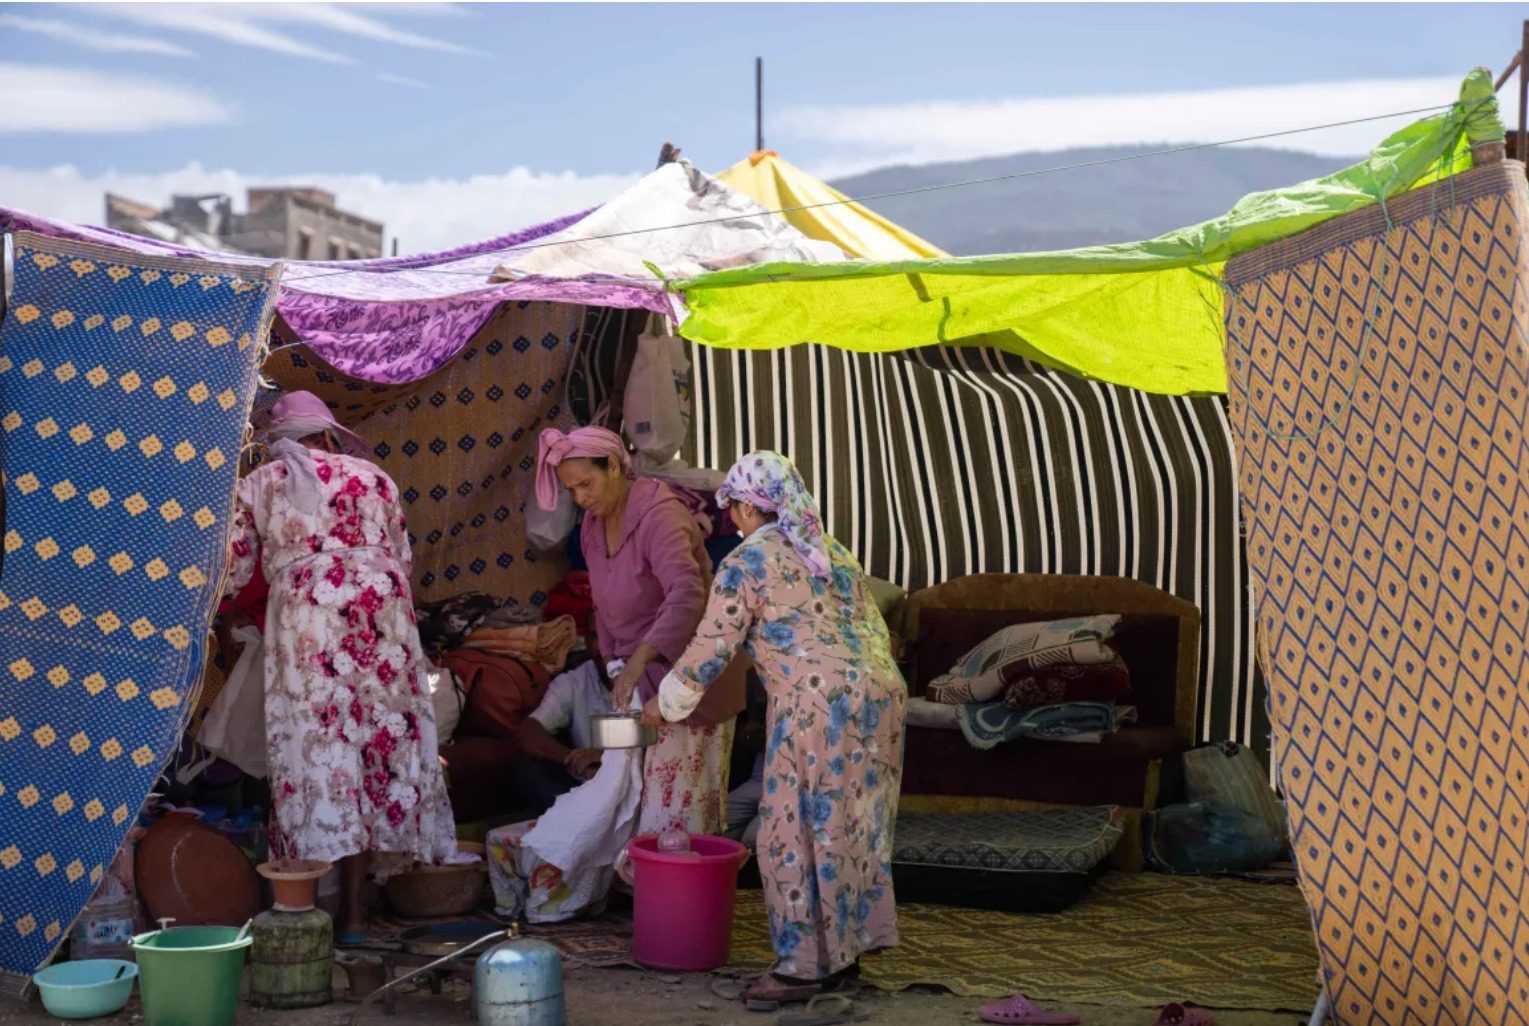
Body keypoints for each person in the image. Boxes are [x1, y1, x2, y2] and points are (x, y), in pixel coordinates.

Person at [642, 451, 907, 1003]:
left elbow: (712, 646)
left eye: (732, 508)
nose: (731, 519)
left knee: (790, 834)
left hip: (816, 704)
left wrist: (665, 704)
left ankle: (801, 969)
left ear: (744, 507)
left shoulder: (746, 561)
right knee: (851, 826)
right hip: (880, 697)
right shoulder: (833, 551)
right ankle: (843, 955)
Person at [225, 391, 460, 942]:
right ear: (329, 435)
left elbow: (230, 576)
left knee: (320, 755)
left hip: (309, 628)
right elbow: (401, 559)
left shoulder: (259, 483)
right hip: (384, 620)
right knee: (376, 748)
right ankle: (358, 910)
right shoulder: (377, 478)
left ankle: (311, 915)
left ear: (279, 443)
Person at [534, 426, 744, 839]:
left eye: (585, 484)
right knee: (631, 802)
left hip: (689, 683)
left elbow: (686, 594)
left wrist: (637, 661)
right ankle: (639, 892)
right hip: (641, 683)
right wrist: (616, 666)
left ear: (613, 466)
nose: (580, 498)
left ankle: (679, 898)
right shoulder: (592, 527)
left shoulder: (660, 514)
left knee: (677, 813)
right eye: (571, 490)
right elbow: (603, 605)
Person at [511, 659, 616, 817]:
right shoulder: (575, 680)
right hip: (586, 787)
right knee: (528, 768)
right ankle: (571, 822)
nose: (608, 645)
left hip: (637, 781)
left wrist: (605, 758)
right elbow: (528, 731)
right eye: (596, 637)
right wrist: (573, 759)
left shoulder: (654, 675)